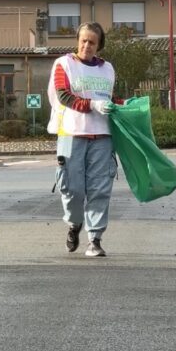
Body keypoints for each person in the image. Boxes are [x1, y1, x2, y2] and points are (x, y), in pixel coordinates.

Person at [48, 22, 124, 258]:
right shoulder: (64, 64)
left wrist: (123, 105)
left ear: (99, 45)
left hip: (102, 136)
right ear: (77, 41)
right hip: (72, 133)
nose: (86, 46)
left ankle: (95, 239)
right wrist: (91, 105)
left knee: (100, 188)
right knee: (72, 188)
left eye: (92, 42)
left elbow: (108, 98)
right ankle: (74, 223)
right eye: (83, 40)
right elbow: (63, 96)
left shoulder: (107, 69)